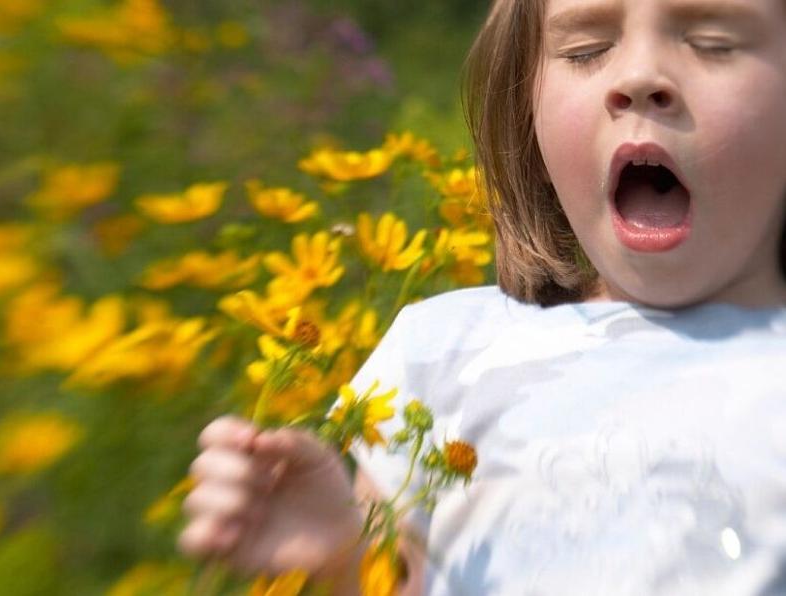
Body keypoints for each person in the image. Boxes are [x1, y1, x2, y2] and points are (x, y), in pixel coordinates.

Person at [179, 0, 786, 593]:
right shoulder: (446, 350)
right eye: (586, 49)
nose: (637, 78)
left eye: (713, 42)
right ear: (524, 104)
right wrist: (343, 558)